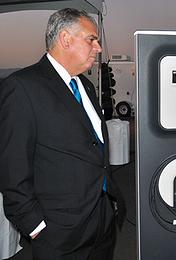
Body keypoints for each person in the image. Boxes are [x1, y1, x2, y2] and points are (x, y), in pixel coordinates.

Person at [0, 8, 125, 260]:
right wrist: (35, 227)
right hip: (59, 233)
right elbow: (12, 168)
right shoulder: (22, 87)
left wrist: (108, 206)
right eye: (92, 39)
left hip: (101, 221)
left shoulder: (86, 85)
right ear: (66, 39)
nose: (98, 48)